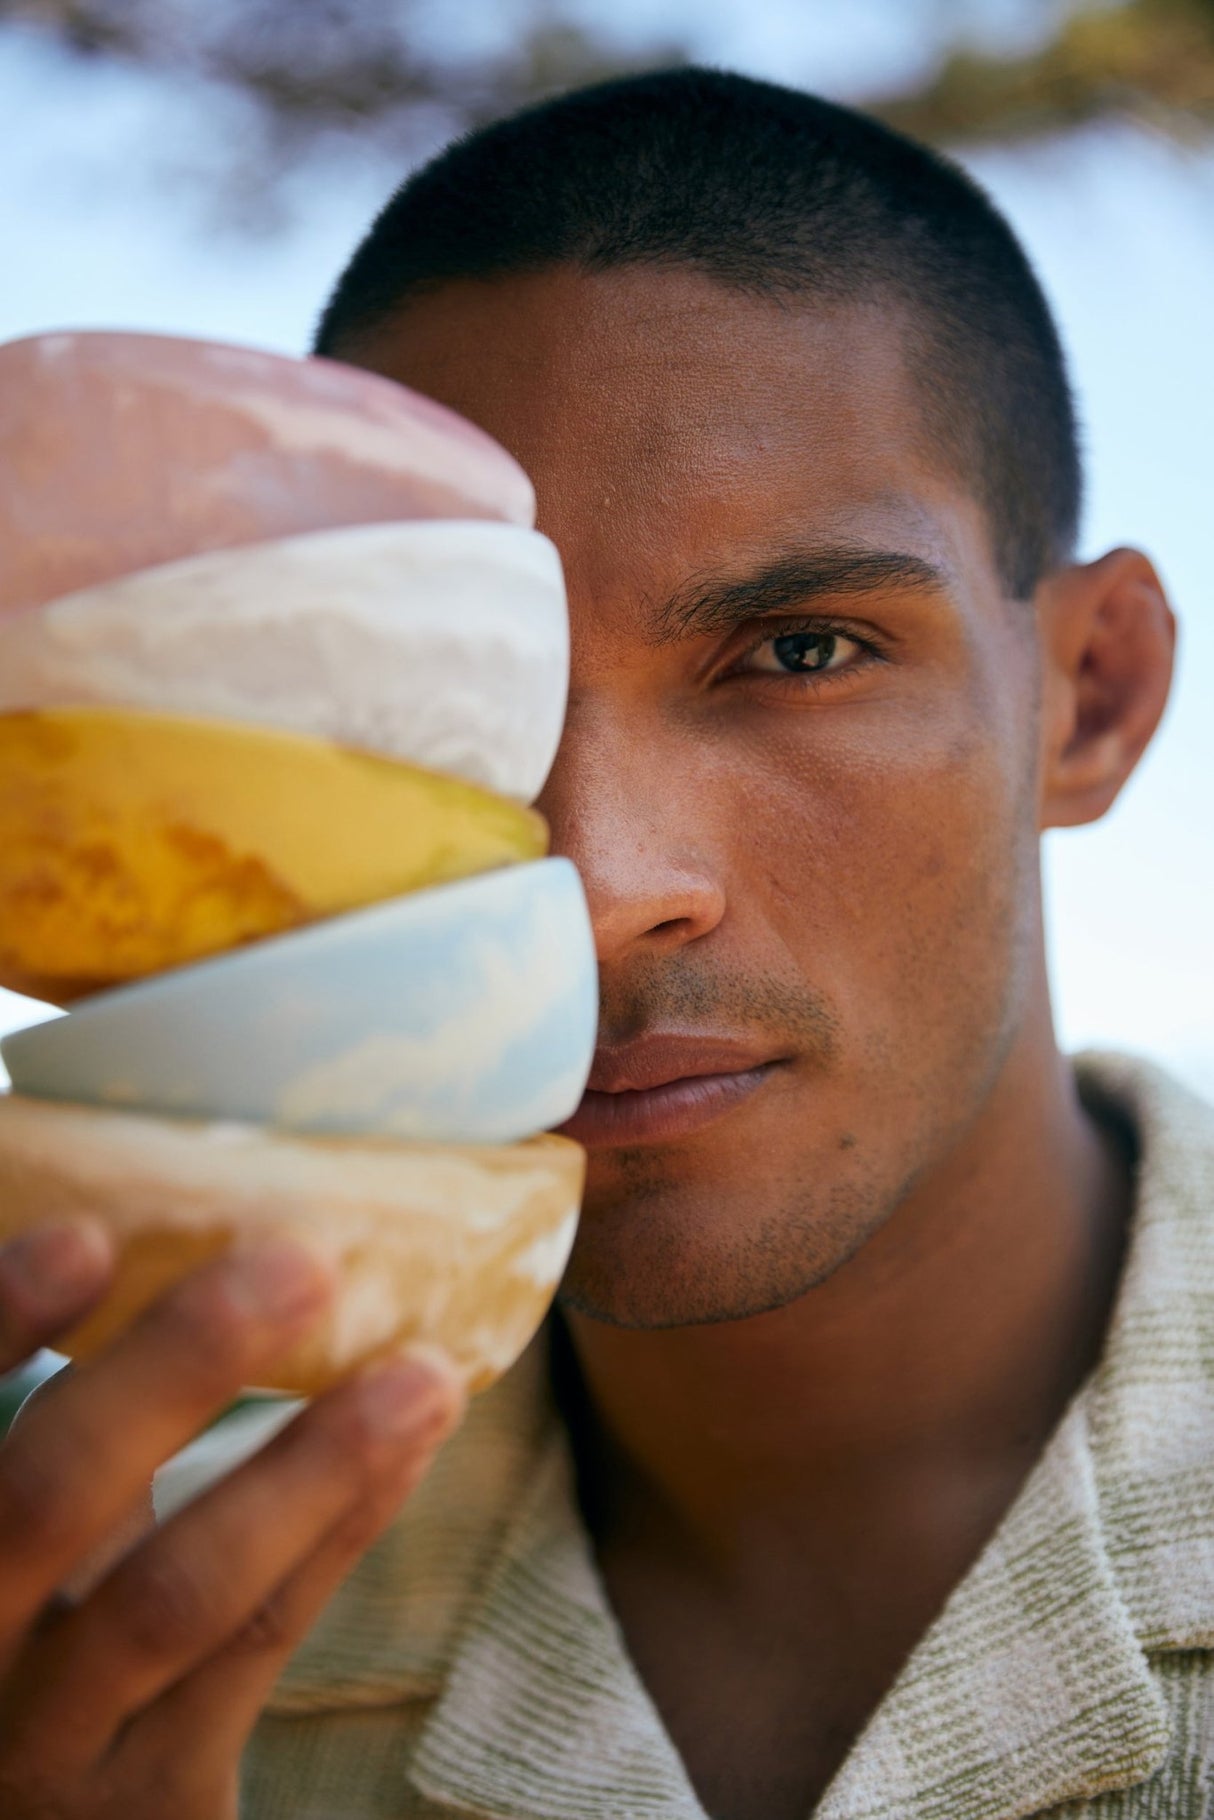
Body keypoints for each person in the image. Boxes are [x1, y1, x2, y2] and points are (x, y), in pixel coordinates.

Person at [0, 66, 1208, 1820]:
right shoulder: (101, 1635)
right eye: (462, 702)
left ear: (1090, 696)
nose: (597, 874)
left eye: (800, 651)